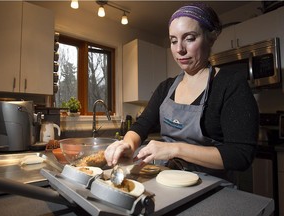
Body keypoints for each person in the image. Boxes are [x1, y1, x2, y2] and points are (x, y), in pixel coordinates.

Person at [105, 2, 259, 182]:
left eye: (190, 38)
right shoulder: (166, 88)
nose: (179, 49)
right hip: (167, 180)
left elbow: (240, 155)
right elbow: (141, 126)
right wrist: (128, 144)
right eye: (173, 40)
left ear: (211, 38)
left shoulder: (230, 84)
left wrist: (174, 149)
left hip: (212, 188)